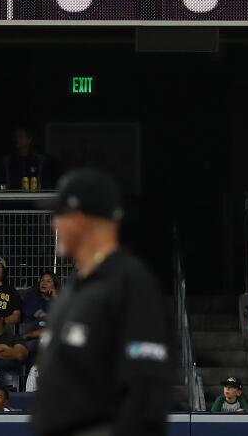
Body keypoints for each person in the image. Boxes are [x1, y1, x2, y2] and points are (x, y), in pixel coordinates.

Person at [31, 169, 170, 436]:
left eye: (59, 216)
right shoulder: (74, 288)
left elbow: (145, 395)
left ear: (79, 218)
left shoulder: (130, 283)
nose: (54, 226)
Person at [2, 127, 52, 192]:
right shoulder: (7, 161)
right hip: (12, 200)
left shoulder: (40, 161)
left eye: (20, 136)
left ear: (29, 139)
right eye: (16, 136)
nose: (17, 139)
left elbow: (47, 184)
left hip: (34, 200)